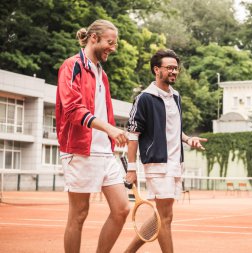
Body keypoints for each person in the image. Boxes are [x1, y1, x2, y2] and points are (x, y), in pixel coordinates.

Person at [56, 19, 129, 253]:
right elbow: (73, 109)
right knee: (78, 215)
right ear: (94, 38)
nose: (113, 48)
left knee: (122, 209)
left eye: (115, 44)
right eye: (110, 42)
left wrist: (111, 134)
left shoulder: (102, 74)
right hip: (79, 150)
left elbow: (101, 110)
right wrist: (109, 128)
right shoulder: (72, 65)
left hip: (104, 152)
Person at [125, 49, 207, 253]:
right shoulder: (144, 98)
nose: (174, 72)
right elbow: (132, 134)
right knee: (166, 217)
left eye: (176, 68)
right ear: (156, 70)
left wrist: (188, 139)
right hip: (157, 164)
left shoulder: (176, 96)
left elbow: (174, 128)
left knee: (160, 215)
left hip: (174, 163)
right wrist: (132, 168)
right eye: (169, 68)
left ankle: (128, 252)